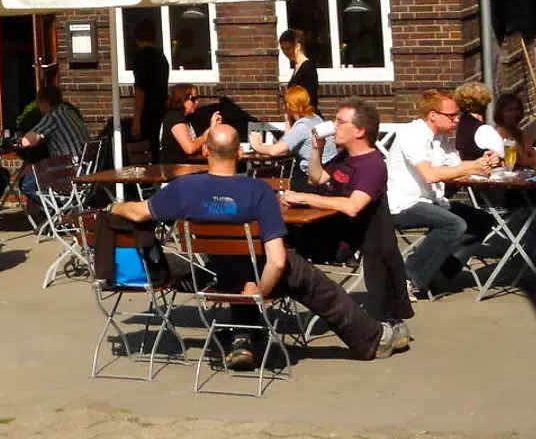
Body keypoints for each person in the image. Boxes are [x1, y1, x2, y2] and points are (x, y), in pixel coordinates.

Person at [111, 124, 409, 369]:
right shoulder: (258, 191)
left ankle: (243, 338)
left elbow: (138, 212)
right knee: (311, 282)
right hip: (252, 276)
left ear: (204, 152)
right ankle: (373, 338)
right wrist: (260, 294)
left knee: (235, 264)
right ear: (240, 153)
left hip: (211, 274)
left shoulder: (184, 187)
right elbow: (277, 262)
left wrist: (114, 208)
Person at [280, 98, 413, 323]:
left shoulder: (372, 165)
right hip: (323, 228)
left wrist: (303, 197)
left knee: (273, 244)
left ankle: (288, 294)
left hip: (338, 242)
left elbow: (353, 206)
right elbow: (317, 177)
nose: (334, 126)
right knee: (268, 237)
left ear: (359, 131)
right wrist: (316, 150)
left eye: (340, 122)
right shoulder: (346, 156)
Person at [384, 89, 499, 296]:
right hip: (403, 203)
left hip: (432, 201)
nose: (457, 120)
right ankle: (407, 279)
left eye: (457, 115)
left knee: (482, 220)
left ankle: (438, 272)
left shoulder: (441, 138)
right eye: (452, 116)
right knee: (454, 224)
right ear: (433, 115)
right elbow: (430, 175)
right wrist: (473, 167)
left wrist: (487, 164)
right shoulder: (413, 135)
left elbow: (456, 168)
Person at [250, 85, 337, 185]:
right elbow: (288, 140)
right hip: (328, 171)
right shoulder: (314, 118)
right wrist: (288, 120)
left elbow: (275, 151)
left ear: (288, 105)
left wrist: (257, 146)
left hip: (314, 177)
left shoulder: (302, 126)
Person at [18, 86, 89, 202]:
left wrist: (15, 140)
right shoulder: (69, 112)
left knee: (26, 183)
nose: (37, 107)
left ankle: (59, 210)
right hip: (87, 167)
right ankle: (65, 206)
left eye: (38, 103)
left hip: (71, 170)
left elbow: (27, 141)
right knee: (37, 170)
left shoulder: (53, 117)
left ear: (45, 103)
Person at [129, 19, 170, 160]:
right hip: (160, 112)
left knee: (143, 156)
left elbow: (140, 90)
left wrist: (136, 119)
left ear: (135, 37)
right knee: (156, 152)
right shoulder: (161, 57)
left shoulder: (141, 57)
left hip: (147, 113)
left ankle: (146, 182)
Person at [157, 85, 216, 164]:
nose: (197, 102)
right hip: (175, 168)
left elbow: (196, 143)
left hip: (187, 165)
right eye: (193, 99)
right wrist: (206, 135)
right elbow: (189, 148)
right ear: (182, 99)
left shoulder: (188, 119)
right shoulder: (174, 118)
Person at [453, 81, 505, 161]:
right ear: (485, 104)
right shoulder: (484, 130)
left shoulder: (462, 123)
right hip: (484, 172)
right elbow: (504, 154)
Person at [493, 92, 536, 170]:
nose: (514, 114)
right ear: (500, 113)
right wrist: (533, 160)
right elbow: (523, 161)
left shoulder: (519, 132)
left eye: (517, 109)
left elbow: (532, 153)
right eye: (509, 110)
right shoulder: (500, 134)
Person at [278, 29, 320, 112]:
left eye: (288, 48)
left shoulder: (308, 67)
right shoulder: (297, 66)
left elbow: (311, 98)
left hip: (306, 117)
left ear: (297, 46)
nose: (285, 52)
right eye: (283, 49)